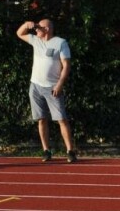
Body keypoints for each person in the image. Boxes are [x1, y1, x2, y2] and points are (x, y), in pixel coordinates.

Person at [16, 18, 79, 163]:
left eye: (39, 27)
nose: (36, 29)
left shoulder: (60, 43)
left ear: (47, 29)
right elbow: (19, 33)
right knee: (41, 119)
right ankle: (46, 151)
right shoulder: (35, 40)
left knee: (61, 119)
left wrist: (59, 85)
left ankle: (70, 151)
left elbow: (66, 66)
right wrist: (26, 25)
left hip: (52, 87)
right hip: (36, 86)